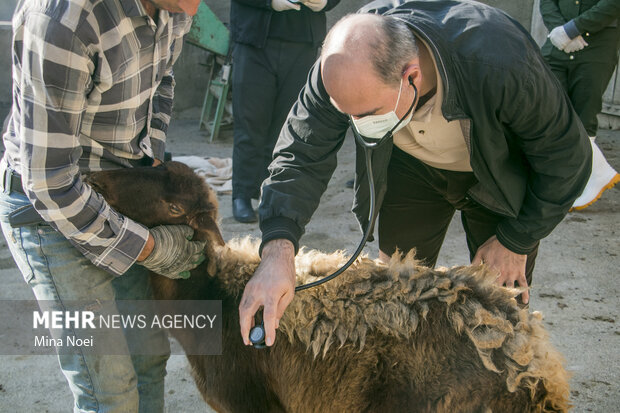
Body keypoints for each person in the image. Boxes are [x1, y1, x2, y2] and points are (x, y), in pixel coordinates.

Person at [238, 0, 593, 347]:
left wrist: (517, 239)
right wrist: (276, 252)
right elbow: (301, 153)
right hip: (412, 168)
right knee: (396, 292)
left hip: (497, 172)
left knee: (500, 306)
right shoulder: (342, 65)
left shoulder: (500, 62)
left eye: (368, 113)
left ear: (412, 76)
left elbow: (568, 161)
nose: (358, 126)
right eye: (350, 116)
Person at [0, 0, 205, 411]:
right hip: (51, 215)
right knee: (108, 389)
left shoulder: (178, 7)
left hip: (120, 195)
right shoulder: (64, 21)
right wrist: (151, 249)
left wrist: (153, 165)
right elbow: (51, 182)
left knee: (147, 358)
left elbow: (161, 80)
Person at [229, 0, 340, 223]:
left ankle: (274, 195)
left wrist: (325, 2)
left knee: (289, 126)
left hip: (302, 41)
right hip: (255, 39)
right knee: (250, 122)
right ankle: (242, 194)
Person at [540, 0, 620, 210]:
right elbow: (547, 2)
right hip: (558, 45)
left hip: (597, 46)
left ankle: (579, 185)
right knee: (547, 110)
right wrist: (559, 31)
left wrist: (573, 29)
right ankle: (556, 180)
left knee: (585, 114)